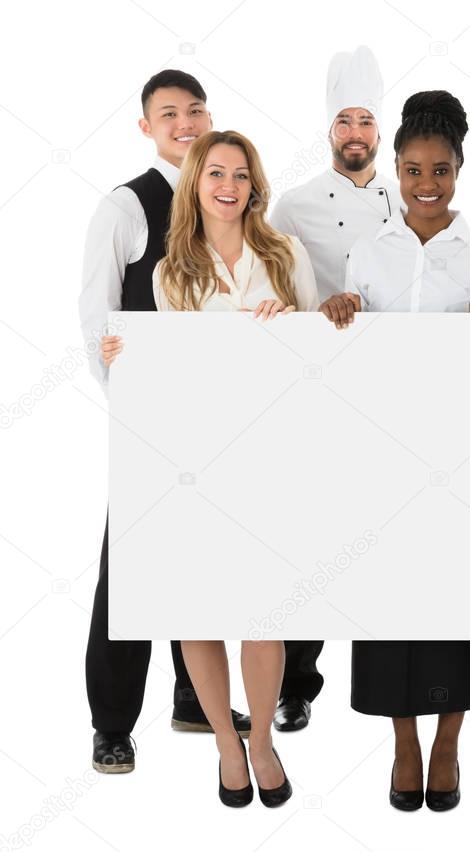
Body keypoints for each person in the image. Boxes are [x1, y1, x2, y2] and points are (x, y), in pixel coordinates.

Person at [103, 129, 316, 805]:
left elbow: (319, 354)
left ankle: (260, 741)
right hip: (192, 459)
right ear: (195, 183)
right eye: (215, 173)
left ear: (256, 185)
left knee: (263, 614)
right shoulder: (173, 270)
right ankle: (225, 740)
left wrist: (292, 325)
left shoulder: (283, 254)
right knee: (196, 609)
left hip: (271, 457)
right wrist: (123, 358)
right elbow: (167, 372)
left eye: (241, 174)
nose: (228, 186)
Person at [337, 90, 470, 812]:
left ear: (459, 170)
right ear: (396, 170)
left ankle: (446, 741)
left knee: (456, 605)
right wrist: (339, 311)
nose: (426, 184)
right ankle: (402, 740)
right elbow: (345, 355)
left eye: (439, 170)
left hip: (462, 451)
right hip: (384, 449)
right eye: (411, 169)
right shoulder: (368, 252)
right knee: (388, 608)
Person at [79, 69, 250, 775]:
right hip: (155, 416)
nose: (185, 122)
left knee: (205, 559)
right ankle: (113, 724)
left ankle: (193, 700)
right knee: (131, 571)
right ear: (146, 127)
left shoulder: (227, 195)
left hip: (224, 417)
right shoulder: (127, 205)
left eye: (196, 109)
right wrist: (133, 401)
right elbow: (96, 314)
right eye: (169, 113)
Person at [267, 45, 400, 733]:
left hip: (392, 392)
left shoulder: (408, 202)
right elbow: (276, 289)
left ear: (381, 131)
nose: (355, 133)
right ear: (329, 131)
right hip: (314, 391)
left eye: (365, 121)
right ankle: (297, 681)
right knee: (312, 542)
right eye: (344, 121)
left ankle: (396, 683)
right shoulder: (291, 207)